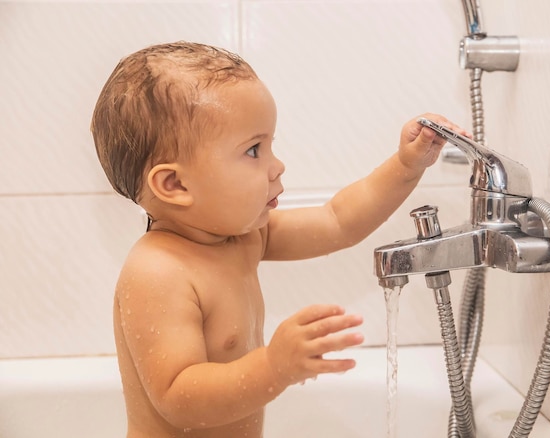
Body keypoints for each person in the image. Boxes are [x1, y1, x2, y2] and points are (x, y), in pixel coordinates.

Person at [91, 41, 467, 438]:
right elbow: (177, 399)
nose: (277, 165)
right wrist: (273, 366)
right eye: (254, 149)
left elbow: (337, 221)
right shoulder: (158, 272)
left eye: (270, 145)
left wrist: (406, 166)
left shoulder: (243, 238)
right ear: (175, 184)